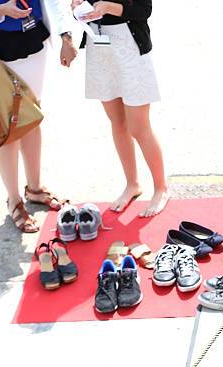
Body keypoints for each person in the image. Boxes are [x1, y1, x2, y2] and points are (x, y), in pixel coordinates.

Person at [0, 0, 78, 233]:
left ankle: (35, 188)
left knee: (33, 118)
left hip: (35, 41)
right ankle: (14, 200)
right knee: (9, 130)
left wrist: (67, 37)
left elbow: (54, 2)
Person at [71, 0, 168, 217]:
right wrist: (78, 7)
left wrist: (109, 7)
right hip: (99, 45)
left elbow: (144, 10)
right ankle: (131, 184)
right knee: (117, 121)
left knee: (139, 127)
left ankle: (161, 188)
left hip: (130, 45)